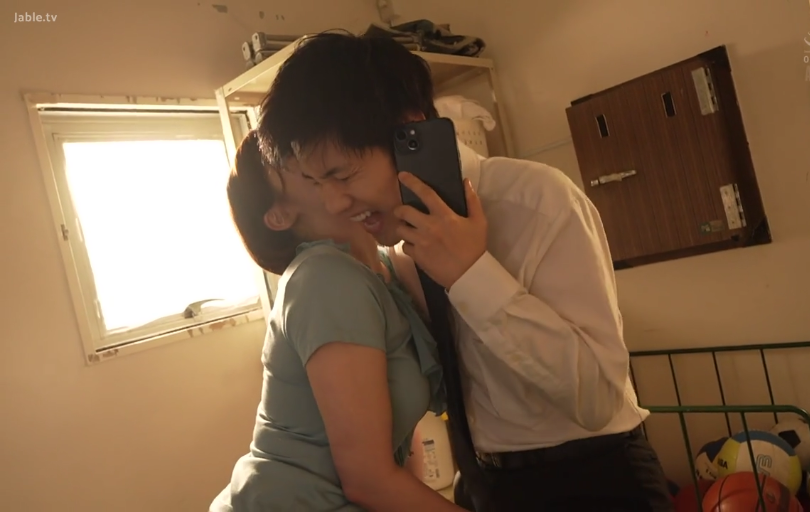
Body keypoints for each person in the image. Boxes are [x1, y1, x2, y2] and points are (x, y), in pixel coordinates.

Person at [254, 32, 675, 512]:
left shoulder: (536, 201)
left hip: (595, 478)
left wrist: (471, 274)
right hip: (482, 483)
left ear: (409, 130)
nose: (334, 204)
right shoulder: (396, 248)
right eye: (315, 183)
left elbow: (599, 400)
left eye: (343, 175)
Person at [209, 131, 465, 512]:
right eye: (294, 164)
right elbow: (368, 480)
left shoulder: (383, 269)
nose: (318, 163)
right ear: (280, 216)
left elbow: (393, 447)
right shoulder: (325, 278)